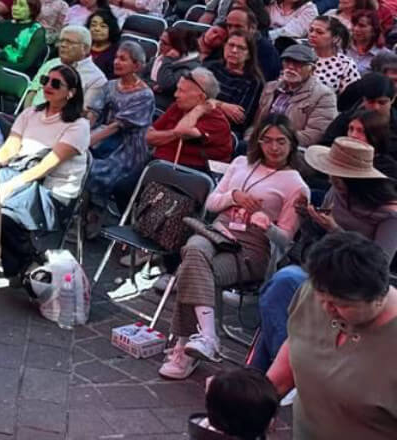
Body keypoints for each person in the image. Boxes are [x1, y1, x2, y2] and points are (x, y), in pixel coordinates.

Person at [157, 115, 309, 378]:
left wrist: (267, 226)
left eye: (281, 141)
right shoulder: (241, 163)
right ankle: (206, 336)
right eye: (268, 141)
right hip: (218, 232)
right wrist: (233, 197)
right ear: (258, 142)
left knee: (191, 269)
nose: (274, 147)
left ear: (291, 144)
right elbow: (212, 203)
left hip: (251, 249)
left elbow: (285, 240)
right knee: (194, 248)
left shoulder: (296, 184)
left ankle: (184, 347)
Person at [250, 136, 397, 372]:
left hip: (353, 286)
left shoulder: (389, 215)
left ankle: (278, 372)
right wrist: (308, 218)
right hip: (321, 270)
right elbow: (316, 243)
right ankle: (269, 373)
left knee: (285, 282)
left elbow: (377, 264)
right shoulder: (336, 192)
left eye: (337, 175)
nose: (331, 179)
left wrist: (335, 230)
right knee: (278, 289)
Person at [267, 231, 397, 438]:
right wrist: (262, 400)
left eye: (342, 304)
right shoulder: (314, 292)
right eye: (322, 298)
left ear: (379, 297)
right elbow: (298, 342)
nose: (327, 308)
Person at [0, 63, 90, 278]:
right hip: (21, 176)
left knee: (2, 214)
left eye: (56, 84)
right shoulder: (31, 113)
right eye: (45, 80)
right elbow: (10, 148)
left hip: (52, 191)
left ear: (71, 93)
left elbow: (46, 166)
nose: (48, 86)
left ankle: (25, 262)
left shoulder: (78, 125)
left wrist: (9, 185)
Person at [85, 40, 157, 209]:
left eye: (123, 59)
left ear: (137, 66)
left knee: (91, 170)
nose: (116, 62)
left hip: (127, 149)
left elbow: (116, 126)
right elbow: (94, 113)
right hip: (101, 138)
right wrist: (82, 135)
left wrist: (87, 142)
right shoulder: (109, 85)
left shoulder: (144, 95)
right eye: (116, 57)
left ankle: (92, 213)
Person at [147, 67, 235, 174]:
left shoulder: (217, 121)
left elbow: (182, 131)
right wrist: (173, 134)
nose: (176, 95)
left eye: (181, 91)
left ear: (201, 98)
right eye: (177, 89)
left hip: (186, 177)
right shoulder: (178, 107)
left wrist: (199, 109)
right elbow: (148, 137)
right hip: (157, 166)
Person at [255, 44, 338, 146]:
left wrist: (274, 141)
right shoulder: (270, 87)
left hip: (294, 149)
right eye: (287, 62)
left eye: (298, 64)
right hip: (261, 143)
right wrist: (251, 140)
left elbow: (313, 135)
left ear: (312, 70)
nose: (290, 67)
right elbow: (255, 125)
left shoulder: (324, 96)